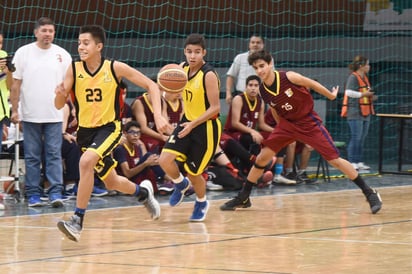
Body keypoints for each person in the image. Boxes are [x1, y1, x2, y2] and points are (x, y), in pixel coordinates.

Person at [220, 50, 382, 214]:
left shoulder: (288, 77)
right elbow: (276, 110)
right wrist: (281, 130)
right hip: (287, 125)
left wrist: (331, 96)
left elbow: (311, 83)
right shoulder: (263, 90)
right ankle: (244, 197)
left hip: (307, 122)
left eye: (262, 66)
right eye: (256, 68)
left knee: (335, 160)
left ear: (270, 63)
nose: (260, 70)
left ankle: (369, 192)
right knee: (262, 158)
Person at [55, 25, 170, 242]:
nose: (81, 46)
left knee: (86, 162)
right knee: (112, 182)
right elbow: (58, 104)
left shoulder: (115, 68)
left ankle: (77, 221)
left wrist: (158, 115)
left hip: (109, 128)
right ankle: (143, 194)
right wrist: (60, 95)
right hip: (85, 133)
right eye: (79, 42)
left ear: (99, 46)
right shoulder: (73, 69)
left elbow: (151, 86)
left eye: (86, 43)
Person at [159, 33, 221, 222]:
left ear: (204, 53)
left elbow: (216, 108)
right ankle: (180, 184)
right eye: (189, 52)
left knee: (195, 174)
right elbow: (170, 93)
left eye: (197, 52)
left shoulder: (208, 75)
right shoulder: (181, 70)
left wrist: (193, 124)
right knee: (164, 160)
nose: (192, 56)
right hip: (187, 122)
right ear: (184, 52)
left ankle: (201, 202)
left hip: (206, 128)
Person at [10, 17, 71, 208]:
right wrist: (14, 109)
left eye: (51, 31)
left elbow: (69, 85)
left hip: (54, 114)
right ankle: (33, 194)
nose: (47, 34)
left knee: (53, 154)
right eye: (44, 30)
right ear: (36, 32)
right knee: (32, 156)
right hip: (29, 115)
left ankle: (55, 193)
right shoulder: (23, 53)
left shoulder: (63, 55)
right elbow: (15, 85)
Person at [113, 120, 173, 195]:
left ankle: (170, 182)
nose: (135, 135)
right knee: (148, 157)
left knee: (152, 159)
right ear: (125, 133)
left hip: (137, 178)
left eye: (138, 133)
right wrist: (145, 163)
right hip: (126, 182)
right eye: (132, 132)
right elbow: (127, 174)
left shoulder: (137, 147)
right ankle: (174, 181)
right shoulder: (120, 149)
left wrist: (148, 163)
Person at [341, 55, 376, 171]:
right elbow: (349, 92)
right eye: (367, 64)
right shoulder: (353, 77)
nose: (369, 66)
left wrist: (371, 97)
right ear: (361, 66)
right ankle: (352, 162)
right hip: (355, 112)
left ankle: (359, 161)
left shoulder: (364, 77)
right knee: (356, 137)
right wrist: (363, 95)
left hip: (365, 111)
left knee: (362, 138)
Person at [224, 75, 273, 156]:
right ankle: (256, 164)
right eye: (250, 85)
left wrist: (276, 131)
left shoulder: (261, 102)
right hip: (233, 133)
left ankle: (277, 166)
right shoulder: (238, 99)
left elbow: (261, 125)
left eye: (256, 85)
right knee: (253, 140)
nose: (253, 88)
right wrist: (252, 131)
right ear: (246, 87)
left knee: (276, 137)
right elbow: (235, 123)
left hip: (249, 133)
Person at [225, 34, 266, 105]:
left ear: (263, 45)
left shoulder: (268, 59)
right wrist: (228, 93)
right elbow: (231, 75)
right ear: (249, 44)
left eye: (258, 42)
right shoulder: (240, 58)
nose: (255, 44)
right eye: (253, 42)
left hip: (260, 96)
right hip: (241, 95)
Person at [0, 31, 12, 143]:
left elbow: (9, 86)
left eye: (0, 43)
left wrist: (8, 72)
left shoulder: (3, 55)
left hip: (2, 113)